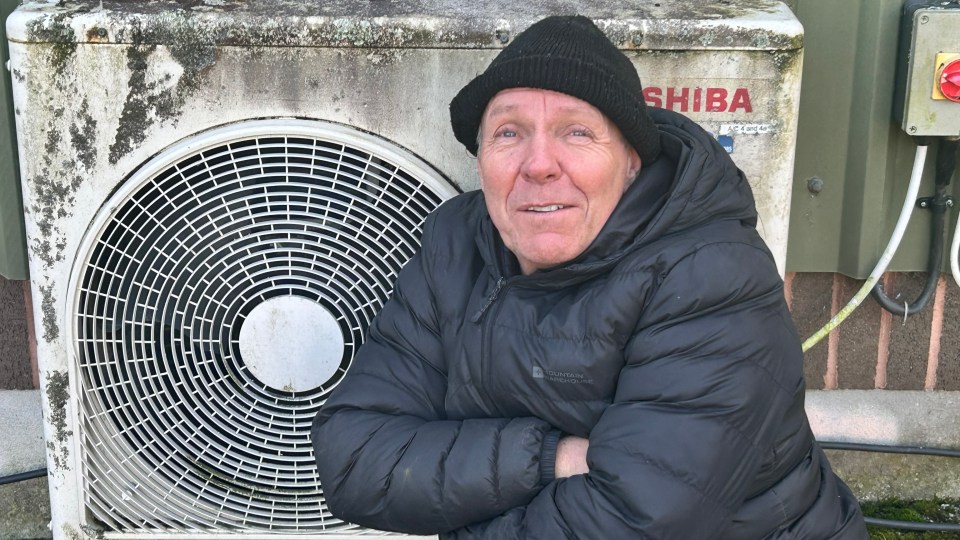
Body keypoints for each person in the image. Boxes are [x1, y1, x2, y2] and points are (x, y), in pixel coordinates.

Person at [312, 15, 869, 539]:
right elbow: (354, 460)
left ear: (631, 161)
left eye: (577, 133)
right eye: (508, 133)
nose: (539, 164)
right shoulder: (454, 245)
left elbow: (638, 518)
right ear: (478, 157)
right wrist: (551, 458)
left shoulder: (712, 275)